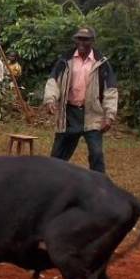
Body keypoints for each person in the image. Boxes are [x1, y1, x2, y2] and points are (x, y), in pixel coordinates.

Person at [44, 27, 117, 173]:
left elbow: (111, 90)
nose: (82, 43)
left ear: (92, 41)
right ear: (75, 40)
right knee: (58, 155)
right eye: (79, 39)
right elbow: (53, 81)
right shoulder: (65, 60)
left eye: (86, 39)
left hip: (92, 113)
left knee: (96, 154)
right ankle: (51, 180)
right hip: (69, 114)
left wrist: (109, 116)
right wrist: (50, 100)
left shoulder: (102, 63)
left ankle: (99, 186)